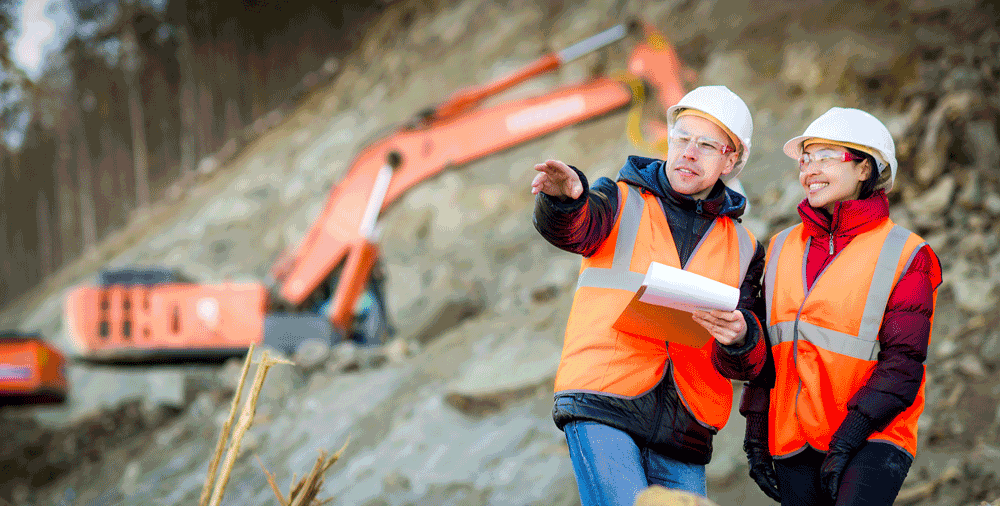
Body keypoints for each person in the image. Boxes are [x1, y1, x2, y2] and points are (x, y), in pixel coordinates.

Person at [531, 85, 769, 505]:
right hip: (604, 401)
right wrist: (566, 200)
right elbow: (575, 227)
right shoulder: (619, 200)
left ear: (730, 159)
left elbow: (747, 360)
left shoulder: (746, 247)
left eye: (707, 145)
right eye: (682, 138)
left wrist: (741, 337)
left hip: (684, 427)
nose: (689, 153)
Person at [739, 107, 942, 506]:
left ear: (865, 168)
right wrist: (756, 430)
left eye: (826, 156)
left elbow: (904, 363)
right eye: (806, 158)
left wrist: (849, 436)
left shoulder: (906, 253)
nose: (810, 169)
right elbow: (769, 354)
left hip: (872, 434)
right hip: (793, 438)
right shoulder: (780, 248)